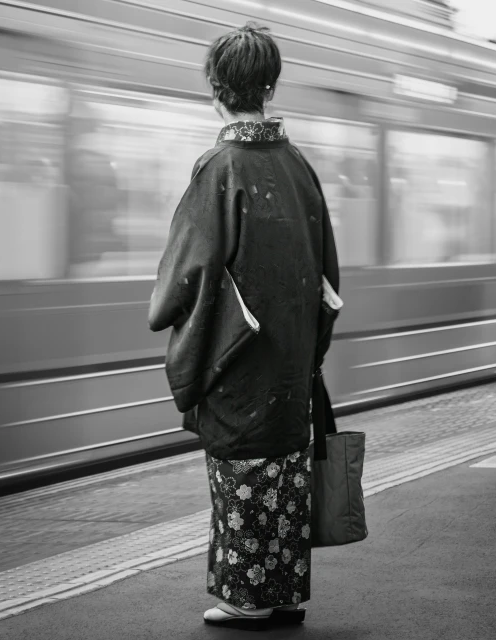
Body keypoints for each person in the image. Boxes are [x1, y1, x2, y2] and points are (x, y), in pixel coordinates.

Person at [148, 23, 340, 630]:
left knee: (241, 473)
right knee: (285, 472)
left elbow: (189, 273)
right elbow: (327, 273)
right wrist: (308, 348)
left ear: (216, 88)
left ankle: (246, 596)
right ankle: (283, 591)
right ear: (270, 87)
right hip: (291, 361)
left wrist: (176, 320)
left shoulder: (219, 167)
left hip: (240, 362)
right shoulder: (300, 165)